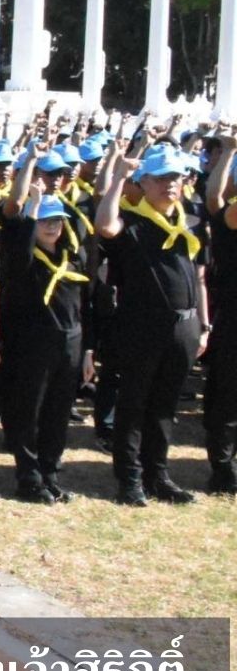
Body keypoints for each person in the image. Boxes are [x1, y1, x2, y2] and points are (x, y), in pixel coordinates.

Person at [93, 146, 205, 506]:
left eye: (176, 177)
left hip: (184, 328)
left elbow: (198, 277)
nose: (170, 185)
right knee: (134, 404)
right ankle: (130, 479)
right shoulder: (134, 222)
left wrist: (203, 324)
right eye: (161, 178)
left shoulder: (186, 223)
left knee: (164, 406)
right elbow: (105, 226)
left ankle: (158, 474)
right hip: (143, 328)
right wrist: (119, 178)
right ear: (143, 184)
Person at [0, 191, 88, 503]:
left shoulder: (73, 257)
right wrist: (30, 213)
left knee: (58, 413)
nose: (51, 226)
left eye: (57, 220)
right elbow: (18, 249)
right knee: (29, 412)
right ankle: (29, 478)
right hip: (34, 343)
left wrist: (87, 350)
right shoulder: (25, 260)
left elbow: (83, 305)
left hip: (70, 342)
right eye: (43, 221)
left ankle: (50, 473)